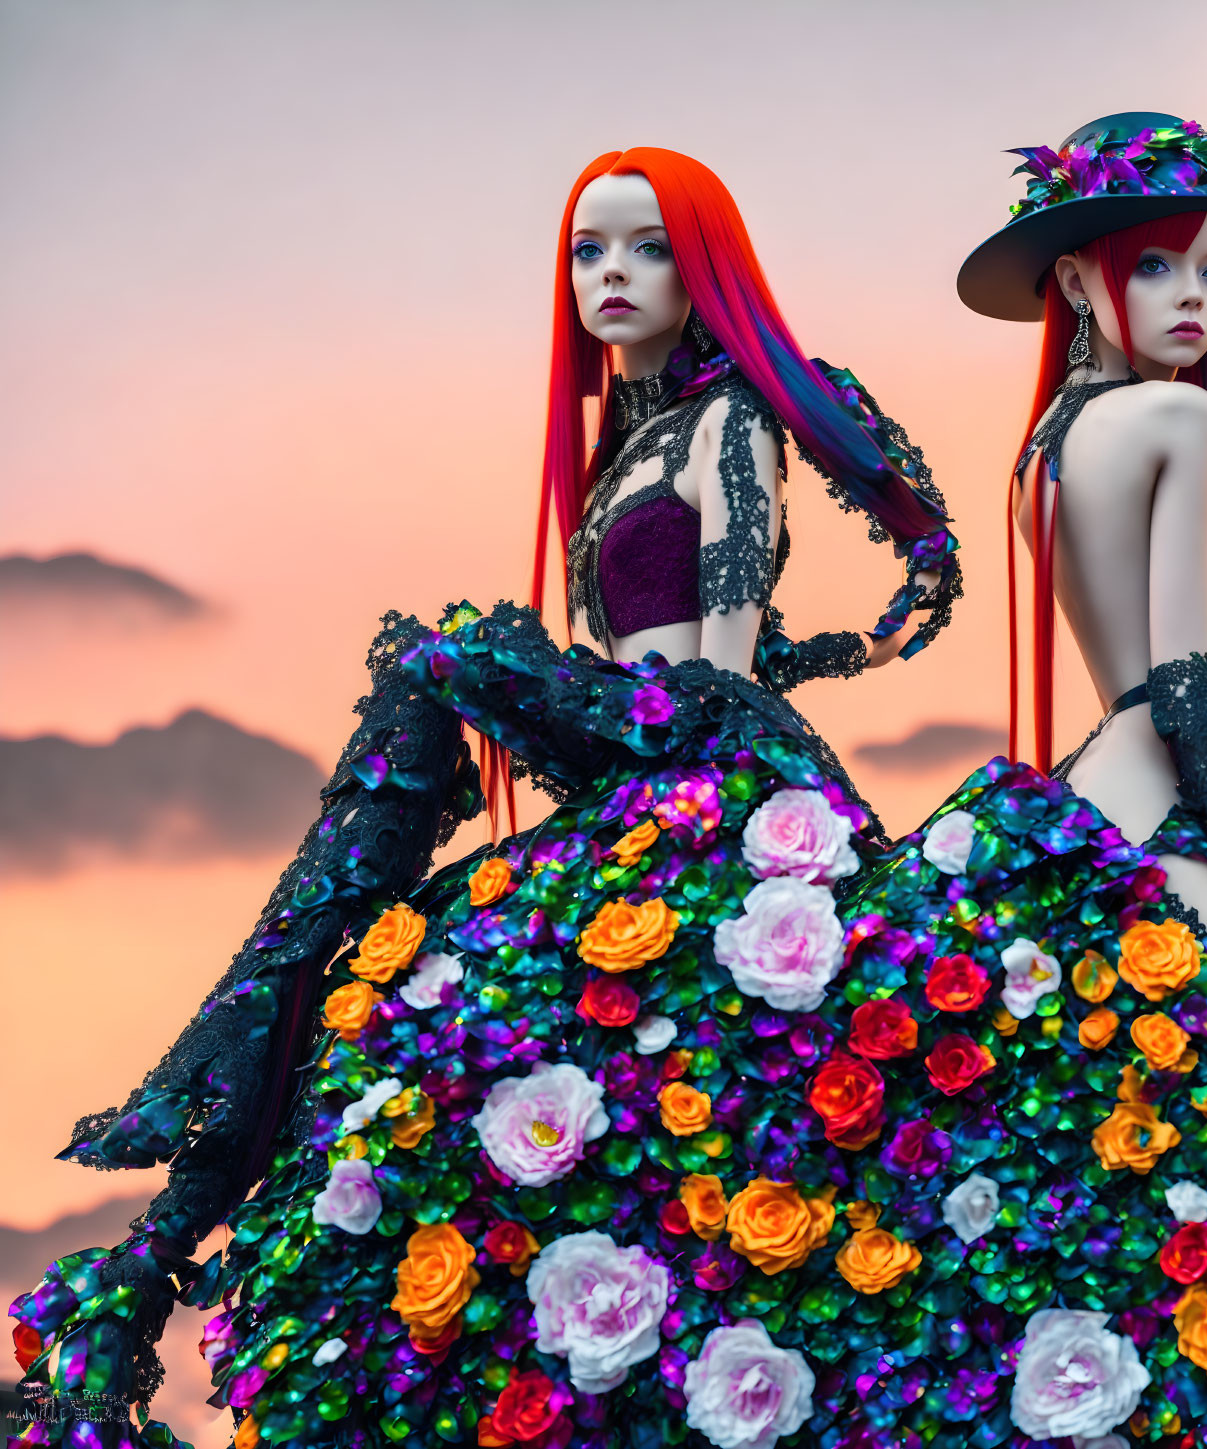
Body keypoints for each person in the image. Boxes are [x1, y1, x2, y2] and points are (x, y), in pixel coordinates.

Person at [10, 148, 960, 1449]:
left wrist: (508, 675)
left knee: (434, 664)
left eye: (646, 249)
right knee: (424, 706)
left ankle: (165, 1217)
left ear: (706, 271)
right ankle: (174, 1207)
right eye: (588, 249)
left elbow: (715, 687)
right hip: (622, 778)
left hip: (704, 783)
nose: (611, 275)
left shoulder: (729, 424)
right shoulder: (630, 438)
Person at [831, 112, 1207, 1440]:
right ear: (1072, 281)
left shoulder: (1044, 441)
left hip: (1065, 807)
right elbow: (1187, 677)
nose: (1194, 302)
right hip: (1158, 800)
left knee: (1070, 1177)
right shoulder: (1176, 414)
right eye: (1160, 266)